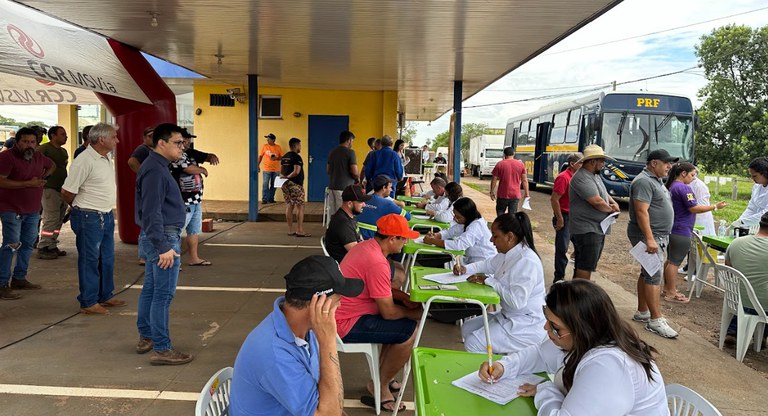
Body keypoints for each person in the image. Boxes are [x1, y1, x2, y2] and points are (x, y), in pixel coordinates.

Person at [478, 280, 668, 415]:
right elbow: (540, 354)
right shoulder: (591, 337)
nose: (546, 328)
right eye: (548, 321)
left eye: (555, 327)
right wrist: (505, 366)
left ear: (582, 328)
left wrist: (546, 390)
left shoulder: (609, 367)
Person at [230, 256, 363, 416]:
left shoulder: (304, 329)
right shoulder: (274, 354)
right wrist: (328, 342)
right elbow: (328, 414)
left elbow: (329, 402)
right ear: (319, 303)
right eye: (338, 299)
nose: (340, 305)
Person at [337, 214, 422, 412]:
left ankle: (382, 377)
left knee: (399, 329)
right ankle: (379, 385)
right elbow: (389, 313)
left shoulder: (367, 247)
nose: (405, 242)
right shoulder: (376, 262)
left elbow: (378, 288)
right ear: (392, 239)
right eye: (403, 238)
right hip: (346, 323)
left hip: (346, 313)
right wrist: (414, 313)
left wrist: (402, 297)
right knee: (409, 331)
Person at [135, 123, 193, 365]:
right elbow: (151, 212)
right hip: (163, 237)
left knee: (151, 289)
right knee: (162, 295)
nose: (183, 147)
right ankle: (162, 347)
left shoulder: (158, 167)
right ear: (162, 143)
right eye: (178, 143)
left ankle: (147, 335)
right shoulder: (155, 170)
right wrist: (163, 247)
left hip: (160, 235)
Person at [453, 212, 546, 354]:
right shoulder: (508, 253)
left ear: (510, 237)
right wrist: (465, 268)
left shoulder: (527, 261)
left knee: (473, 343)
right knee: (467, 327)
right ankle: (490, 365)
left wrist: (489, 281)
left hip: (525, 324)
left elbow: (516, 302)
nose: (491, 240)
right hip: (508, 316)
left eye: (495, 236)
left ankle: (491, 373)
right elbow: (487, 265)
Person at [61, 123, 126, 314]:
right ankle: (88, 302)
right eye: (114, 137)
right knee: (90, 260)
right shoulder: (84, 160)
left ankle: (105, 295)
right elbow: (66, 191)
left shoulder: (105, 157)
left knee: (106, 258)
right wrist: (79, 207)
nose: (117, 140)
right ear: (101, 139)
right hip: (89, 216)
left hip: (104, 215)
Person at [627, 149, 679, 339]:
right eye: (666, 163)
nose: (669, 167)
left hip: (656, 235)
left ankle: (643, 311)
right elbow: (641, 212)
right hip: (649, 236)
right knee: (654, 275)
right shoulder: (643, 181)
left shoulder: (655, 180)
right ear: (654, 163)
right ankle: (656, 320)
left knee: (647, 272)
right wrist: (649, 238)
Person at [0, 127, 53, 300]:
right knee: (11, 244)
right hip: (11, 209)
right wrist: (28, 184)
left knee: (28, 244)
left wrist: (44, 177)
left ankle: (19, 278)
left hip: (32, 209)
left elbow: (52, 165)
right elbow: (1, 181)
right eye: (25, 141)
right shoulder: (6, 157)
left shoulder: (38, 156)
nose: (29, 145)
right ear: (17, 142)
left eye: (32, 142)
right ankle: (2, 284)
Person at [662, 162, 726, 303]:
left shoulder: (671, 186)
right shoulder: (684, 188)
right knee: (674, 262)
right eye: (692, 175)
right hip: (682, 229)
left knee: (670, 259)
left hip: (672, 227)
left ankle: (667, 288)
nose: (693, 178)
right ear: (683, 173)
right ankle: (671, 292)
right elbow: (694, 208)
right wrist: (715, 206)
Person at [568, 146, 620, 281]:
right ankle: (580, 294)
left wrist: (614, 203)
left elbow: (604, 193)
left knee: (585, 264)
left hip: (594, 228)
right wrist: (612, 209)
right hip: (587, 229)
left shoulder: (593, 175)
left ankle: (578, 292)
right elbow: (596, 201)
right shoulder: (582, 177)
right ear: (592, 162)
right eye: (601, 161)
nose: (603, 164)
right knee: (585, 266)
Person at [170, 128, 220, 266]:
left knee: (193, 230)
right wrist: (202, 170)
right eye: (183, 140)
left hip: (195, 198)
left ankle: (194, 258)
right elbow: (187, 168)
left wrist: (210, 157)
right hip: (183, 199)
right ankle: (173, 262)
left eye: (187, 140)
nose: (187, 142)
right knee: (176, 231)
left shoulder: (189, 153)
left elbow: (205, 156)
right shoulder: (176, 155)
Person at [723, 212, 768, 344]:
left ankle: (734, 331)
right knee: (759, 291)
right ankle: (762, 335)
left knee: (750, 287)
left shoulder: (736, 243)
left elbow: (729, 269)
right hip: (762, 304)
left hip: (735, 299)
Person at [423, 197, 496, 264]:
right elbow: (450, 232)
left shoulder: (476, 226)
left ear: (467, 215)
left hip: (482, 263)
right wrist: (437, 235)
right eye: (454, 215)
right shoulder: (469, 221)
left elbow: (459, 245)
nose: (455, 218)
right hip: (472, 261)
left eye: (458, 217)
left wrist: (432, 241)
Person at [37, 126, 70, 260]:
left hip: (61, 188)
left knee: (59, 218)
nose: (66, 136)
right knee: (51, 217)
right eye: (62, 134)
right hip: (49, 188)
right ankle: (43, 246)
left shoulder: (63, 151)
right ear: (53, 135)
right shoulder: (44, 149)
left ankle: (52, 244)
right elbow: (35, 164)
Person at [549, 153, 582, 283]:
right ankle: (559, 277)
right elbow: (554, 199)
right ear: (572, 164)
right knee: (562, 249)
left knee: (579, 248)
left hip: (576, 218)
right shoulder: (563, 178)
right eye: (581, 163)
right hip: (565, 217)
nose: (583, 165)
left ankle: (576, 278)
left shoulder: (580, 178)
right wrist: (560, 218)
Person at [127, 126, 155, 266]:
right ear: (145, 138)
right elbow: (132, 162)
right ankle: (143, 255)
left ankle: (147, 253)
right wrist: (143, 175)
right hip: (146, 189)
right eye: (150, 136)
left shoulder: (153, 150)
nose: (153, 138)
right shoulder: (142, 149)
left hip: (153, 189)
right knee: (146, 221)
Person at [324, 184, 370, 263]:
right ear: (349, 204)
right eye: (361, 202)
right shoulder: (343, 223)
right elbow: (356, 253)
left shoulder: (350, 216)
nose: (364, 205)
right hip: (348, 266)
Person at [357, 175, 411, 240]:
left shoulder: (363, 199)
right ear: (383, 188)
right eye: (390, 187)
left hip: (356, 235)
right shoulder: (387, 204)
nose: (391, 190)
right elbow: (408, 217)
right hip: (373, 239)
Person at [280, 137, 310, 237]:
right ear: (296, 145)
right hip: (296, 185)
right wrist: (289, 177)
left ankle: (290, 230)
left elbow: (281, 171)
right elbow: (296, 171)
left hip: (285, 184)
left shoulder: (284, 157)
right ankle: (300, 230)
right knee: (300, 206)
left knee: (289, 205)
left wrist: (285, 177)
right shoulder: (297, 157)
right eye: (300, 145)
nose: (300, 147)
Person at [327, 130, 358, 217]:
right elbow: (355, 172)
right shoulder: (350, 152)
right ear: (348, 140)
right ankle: (341, 230)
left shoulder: (332, 152)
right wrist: (358, 179)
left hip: (332, 187)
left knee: (333, 213)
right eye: (352, 141)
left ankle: (332, 230)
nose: (352, 143)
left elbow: (328, 171)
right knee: (343, 213)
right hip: (344, 188)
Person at [490, 147, 529, 216]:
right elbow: (524, 180)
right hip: (515, 195)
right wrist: (526, 193)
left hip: (502, 194)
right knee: (512, 217)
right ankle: (510, 227)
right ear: (514, 154)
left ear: (504, 154)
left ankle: (501, 226)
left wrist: (492, 191)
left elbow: (494, 179)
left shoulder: (500, 164)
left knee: (500, 214)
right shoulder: (520, 164)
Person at [734, 156, 768, 228]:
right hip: (758, 225)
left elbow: (766, 213)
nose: (752, 178)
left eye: (755, 176)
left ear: (765, 173)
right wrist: (739, 221)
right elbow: (751, 208)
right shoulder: (757, 187)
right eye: (751, 176)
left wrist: (744, 222)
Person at [258, 133, 283, 204]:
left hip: (276, 170)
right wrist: (258, 165)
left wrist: (276, 158)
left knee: (274, 185)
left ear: (273, 140)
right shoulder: (264, 146)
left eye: (269, 138)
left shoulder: (278, 147)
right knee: (265, 184)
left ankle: (271, 198)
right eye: (267, 138)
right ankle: (264, 199)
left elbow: (282, 157)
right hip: (266, 169)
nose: (267, 140)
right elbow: (260, 156)